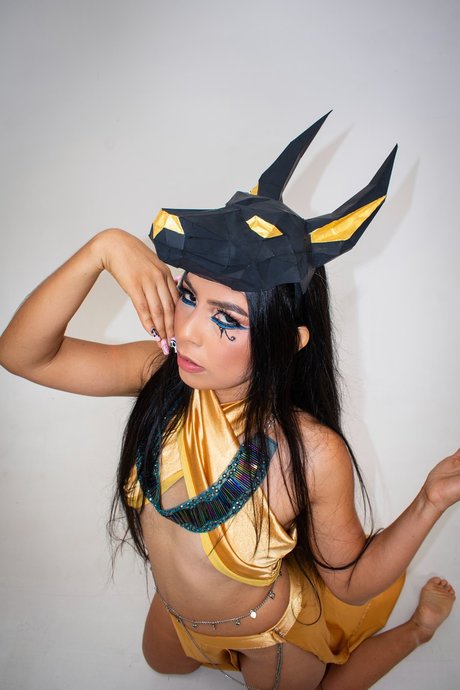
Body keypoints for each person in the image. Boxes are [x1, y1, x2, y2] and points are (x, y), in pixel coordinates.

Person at [0, 115, 457, 690]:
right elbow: (23, 355)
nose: (187, 332)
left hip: (268, 635)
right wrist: (102, 248)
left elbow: (348, 581)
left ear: (286, 343)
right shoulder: (161, 375)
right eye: (188, 296)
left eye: (227, 320)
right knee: (160, 664)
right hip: (181, 615)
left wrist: (431, 499)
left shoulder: (313, 453)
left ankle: (416, 631)